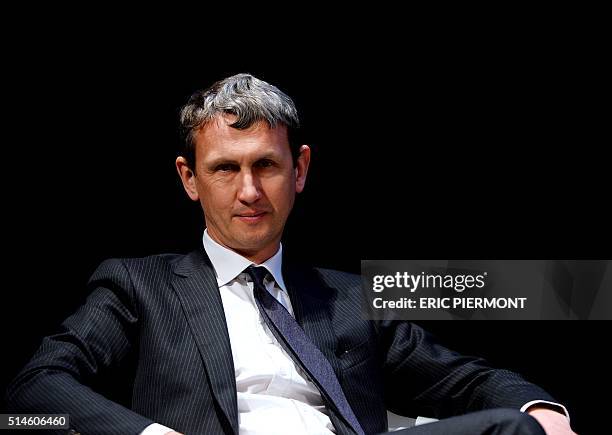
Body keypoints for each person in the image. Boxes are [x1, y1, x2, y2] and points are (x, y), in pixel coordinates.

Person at [5, 74, 576, 435]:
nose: (249, 191)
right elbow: (36, 388)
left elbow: (466, 379)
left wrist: (541, 410)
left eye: (266, 166)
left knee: (511, 428)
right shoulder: (139, 286)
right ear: (189, 178)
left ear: (299, 169)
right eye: (225, 169)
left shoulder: (350, 296)